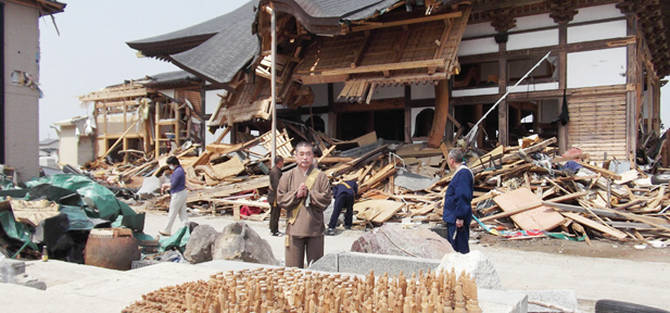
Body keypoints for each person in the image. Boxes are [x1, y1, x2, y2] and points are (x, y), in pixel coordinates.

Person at [277, 142, 332, 268]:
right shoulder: (287, 176)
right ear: (295, 156)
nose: (305, 157)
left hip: (315, 229)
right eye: (301, 154)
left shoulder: (321, 177)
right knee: (293, 271)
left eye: (308, 154)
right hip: (294, 229)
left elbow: (327, 198)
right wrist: (296, 195)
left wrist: (310, 194)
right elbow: (280, 199)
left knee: (317, 270)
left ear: (313, 156)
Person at [442, 148, 474, 254]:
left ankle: (462, 270)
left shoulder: (463, 174)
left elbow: (462, 196)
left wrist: (460, 217)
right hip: (455, 217)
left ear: (451, 160)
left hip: (457, 219)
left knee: (459, 250)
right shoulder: (462, 173)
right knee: (456, 248)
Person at [159, 156, 189, 236]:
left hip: (178, 193)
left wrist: (165, 185)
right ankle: (187, 228)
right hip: (182, 192)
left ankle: (167, 230)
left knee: (172, 212)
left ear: (173, 164)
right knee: (182, 213)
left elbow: (174, 184)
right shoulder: (179, 170)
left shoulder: (178, 171)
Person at [268, 155, 285, 236]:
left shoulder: (276, 170)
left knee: (274, 213)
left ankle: (273, 229)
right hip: (274, 196)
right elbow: (276, 185)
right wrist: (281, 194)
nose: (283, 163)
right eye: (282, 162)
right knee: (275, 214)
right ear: (279, 162)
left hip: (274, 195)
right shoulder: (276, 172)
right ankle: (274, 231)